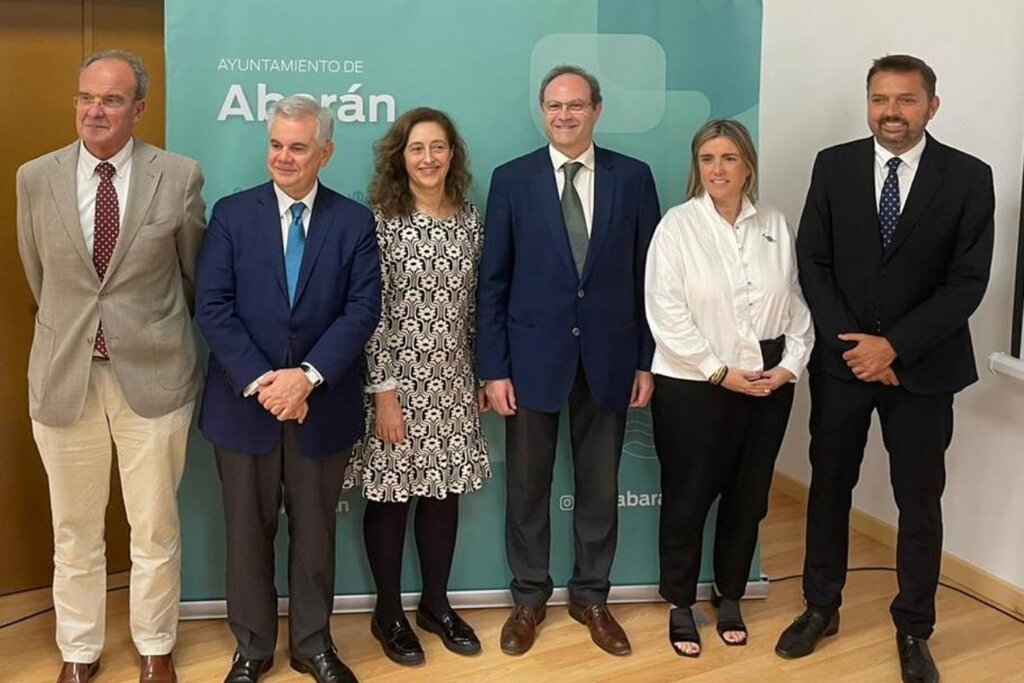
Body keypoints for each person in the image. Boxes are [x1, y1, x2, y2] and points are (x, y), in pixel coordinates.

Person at [775, 55, 994, 683]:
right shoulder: (834, 164)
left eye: (905, 100)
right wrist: (858, 349)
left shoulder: (969, 177)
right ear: (866, 102)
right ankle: (821, 606)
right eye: (879, 99)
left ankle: (914, 628)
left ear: (932, 104)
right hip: (844, 366)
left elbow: (967, 284)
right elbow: (812, 261)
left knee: (918, 501)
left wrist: (894, 347)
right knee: (828, 487)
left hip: (923, 371)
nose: (890, 113)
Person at [15, 48, 205, 683]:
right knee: (74, 529)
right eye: (86, 98)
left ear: (139, 108)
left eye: (112, 99)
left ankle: (155, 645)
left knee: (154, 526)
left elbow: (193, 276)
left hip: (153, 379)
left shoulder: (177, 177)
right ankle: (80, 650)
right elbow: (40, 277)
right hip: (66, 376)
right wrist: (83, 332)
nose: (95, 110)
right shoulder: (34, 178)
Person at [477, 64, 661, 657]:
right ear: (542, 110)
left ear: (597, 111)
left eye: (576, 105)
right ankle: (529, 598)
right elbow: (493, 282)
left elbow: (647, 279)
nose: (564, 115)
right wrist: (494, 368)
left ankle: (591, 596)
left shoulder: (634, 179)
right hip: (530, 363)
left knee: (599, 488)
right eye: (554, 105)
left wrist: (645, 361)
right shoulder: (512, 180)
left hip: (609, 361)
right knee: (527, 489)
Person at [195, 95, 380, 683]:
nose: (283, 156)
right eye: (276, 144)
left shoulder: (354, 222)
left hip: (319, 406)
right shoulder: (231, 214)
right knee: (247, 536)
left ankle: (312, 644)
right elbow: (213, 308)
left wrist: (307, 378)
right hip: (243, 406)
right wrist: (266, 383)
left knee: (315, 535)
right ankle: (252, 649)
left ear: (325, 152)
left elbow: (361, 310)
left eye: (298, 147)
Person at [645, 119, 813, 657]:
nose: (718, 170)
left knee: (749, 496)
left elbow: (795, 302)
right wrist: (719, 372)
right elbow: (665, 312)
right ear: (697, 167)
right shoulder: (677, 226)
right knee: (688, 497)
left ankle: (731, 592)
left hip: (767, 378)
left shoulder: (775, 223)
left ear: (748, 166)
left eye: (729, 159)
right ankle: (679, 602)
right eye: (708, 159)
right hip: (695, 380)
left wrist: (791, 364)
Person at [344, 107, 491, 666]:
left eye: (438, 147)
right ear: (399, 157)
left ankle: (435, 604)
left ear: (452, 154)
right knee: (389, 499)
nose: (428, 158)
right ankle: (387, 613)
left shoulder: (472, 221)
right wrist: (383, 391)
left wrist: (479, 374)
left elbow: (477, 306)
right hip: (395, 383)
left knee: (441, 497)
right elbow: (369, 312)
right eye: (416, 148)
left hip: (451, 382)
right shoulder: (377, 222)